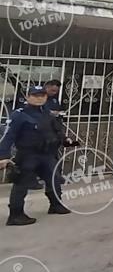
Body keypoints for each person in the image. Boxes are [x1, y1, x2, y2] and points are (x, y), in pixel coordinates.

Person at [0, 86, 72, 226]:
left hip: (46, 154)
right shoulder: (19, 115)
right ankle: (16, 214)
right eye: (36, 95)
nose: (39, 98)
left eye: (42, 95)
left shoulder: (46, 113)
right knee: (22, 183)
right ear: (28, 97)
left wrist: (65, 139)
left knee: (54, 179)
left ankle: (55, 205)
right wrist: (3, 155)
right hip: (28, 154)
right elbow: (8, 136)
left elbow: (56, 130)